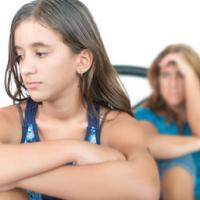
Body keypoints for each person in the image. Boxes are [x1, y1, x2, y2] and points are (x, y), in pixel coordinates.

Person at [0, 0, 159, 199]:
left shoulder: (113, 124)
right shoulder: (11, 120)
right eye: (20, 56)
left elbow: (144, 187)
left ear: (82, 61)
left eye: (40, 54)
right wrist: (74, 149)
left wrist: (12, 175)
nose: (25, 68)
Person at [134, 44, 200, 200]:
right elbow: (146, 144)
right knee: (176, 157)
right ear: (158, 80)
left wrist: (190, 73)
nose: (173, 84)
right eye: (166, 75)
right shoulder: (146, 114)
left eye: (181, 75)